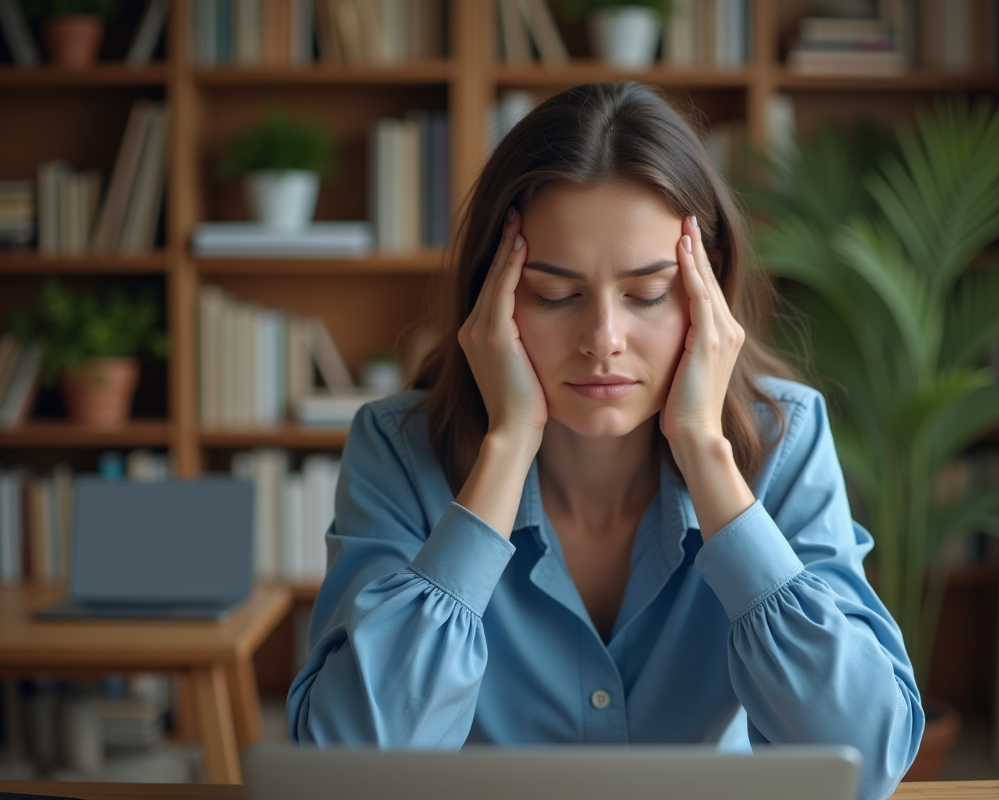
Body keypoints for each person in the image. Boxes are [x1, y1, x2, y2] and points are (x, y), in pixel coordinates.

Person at [287, 81, 924, 800]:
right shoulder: (396, 448)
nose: (603, 342)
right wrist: (504, 450)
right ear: (493, 298)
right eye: (556, 295)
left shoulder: (787, 437)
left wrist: (706, 454)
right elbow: (343, 768)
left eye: (648, 293)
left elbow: (867, 762)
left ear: (705, 288)